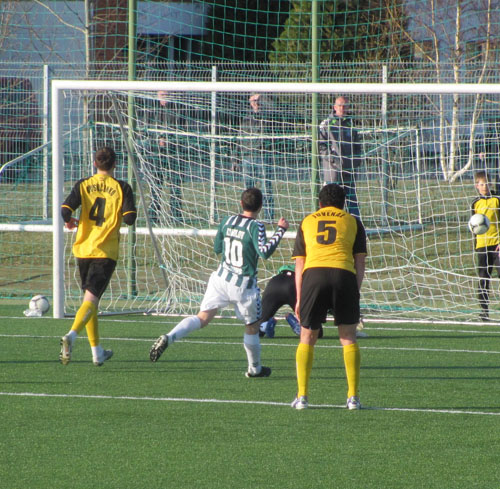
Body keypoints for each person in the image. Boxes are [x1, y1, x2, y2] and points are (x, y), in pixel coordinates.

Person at [149, 187, 289, 378]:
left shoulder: (227, 220)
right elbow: (264, 252)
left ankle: (170, 336)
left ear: (241, 203)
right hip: (243, 285)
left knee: (202, 318)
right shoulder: (257, 226)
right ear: (261, 206)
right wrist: (280, 230)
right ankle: (255, 369)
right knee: (252, 327)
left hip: (221, 279)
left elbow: (217, 248)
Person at [291, 183, 367, 410]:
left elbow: (300, 263)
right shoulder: (353, 221)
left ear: (320, 203)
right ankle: (353, 397)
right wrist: (355, 289)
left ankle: (302, 397)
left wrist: (298, 297)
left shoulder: (307, 221)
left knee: (307, 336)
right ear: (344, 204)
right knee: (348, 337)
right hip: (344, 275)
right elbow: (359, 262)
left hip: (314, 276)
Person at [59, 147, 137, 366]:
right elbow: (130, 219)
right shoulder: (122, 187)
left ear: (95, 163)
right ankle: (71, 336)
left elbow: (65, 210)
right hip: (105, 251)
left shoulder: (83, 185)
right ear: (115, 165)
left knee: (90, 300)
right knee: (91, 300)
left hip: (83, 248)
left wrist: (69, 221)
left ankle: (97, 352)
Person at [259, 264, 367, 339]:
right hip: (295, 284)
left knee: (255, 331)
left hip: (275, 282)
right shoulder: (323, 271)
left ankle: (266, 324)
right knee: (315, 333)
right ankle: (295, 323)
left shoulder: (307, 261)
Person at [318, 96, 363, 218]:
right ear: (334, 107)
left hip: (349, 168)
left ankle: (356, 225)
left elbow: (357, 144)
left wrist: (356, 160)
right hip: (333, 170)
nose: (342, 108)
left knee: (351, 199)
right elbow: (321, 146)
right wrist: (333, 160)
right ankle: (329, 221)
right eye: (340, 105)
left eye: (345, 106)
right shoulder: (326, 123)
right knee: (332, 199)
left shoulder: (351, 123)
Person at [148, 90, 185, 224]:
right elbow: (146, 130)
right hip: (156, 154)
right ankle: (153, 217)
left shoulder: (177, 111)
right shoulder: (152, 112)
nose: (165, 98)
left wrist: (169, 140)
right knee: (155, 186)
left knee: (175, 186)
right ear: (157, 96)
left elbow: (182, 131)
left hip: (173, 154)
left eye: (167, 95)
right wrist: (158, 140)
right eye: (162, 95)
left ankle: (176, 217)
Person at [240, 93, 277, 222]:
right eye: (254, 100)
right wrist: (235, 158)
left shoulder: (268, 116)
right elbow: (241, 138)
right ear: (249, 102)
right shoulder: (245, 118)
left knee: (266, 187)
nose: (256, 102)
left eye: (259, 100)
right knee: (248, 189)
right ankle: (247, 215)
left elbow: (274, 109)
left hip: (262, 155)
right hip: (247, 156)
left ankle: (268, 217)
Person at [471, 170, 500, 322]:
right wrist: (476, 245)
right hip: (482, 245)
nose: (485, 186)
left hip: (497, 245)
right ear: (477, 186)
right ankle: (484, 312)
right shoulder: (475, 203)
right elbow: (473, 226)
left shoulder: (497, 199)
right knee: (483, 278)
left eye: (487, 183)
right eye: (481, 184)